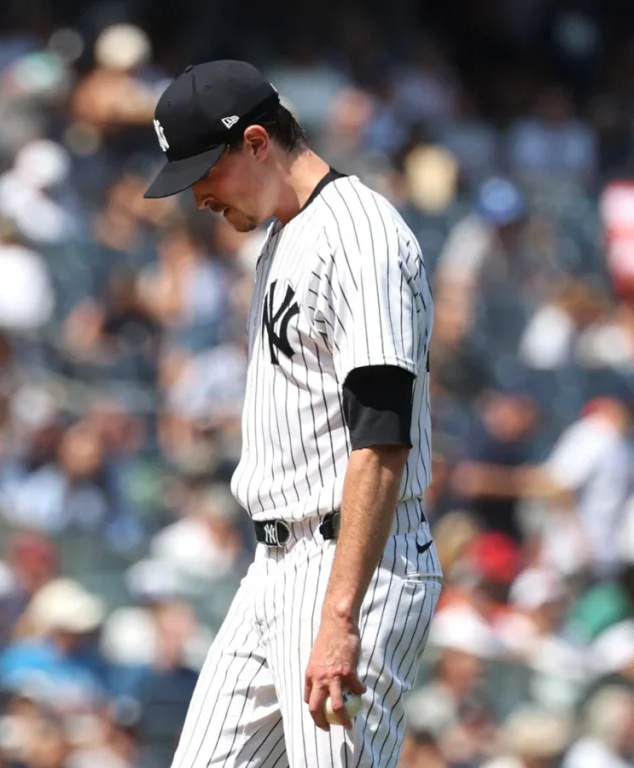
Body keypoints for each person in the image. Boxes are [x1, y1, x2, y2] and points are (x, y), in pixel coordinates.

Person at [143, 60, 441, 767]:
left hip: (351, 564)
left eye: (202, 174)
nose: (198, 199)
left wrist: (341, 615)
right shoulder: (284, 237)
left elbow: (381, 438)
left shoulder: (359, 232)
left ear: (254, 142)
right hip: (276, 563)